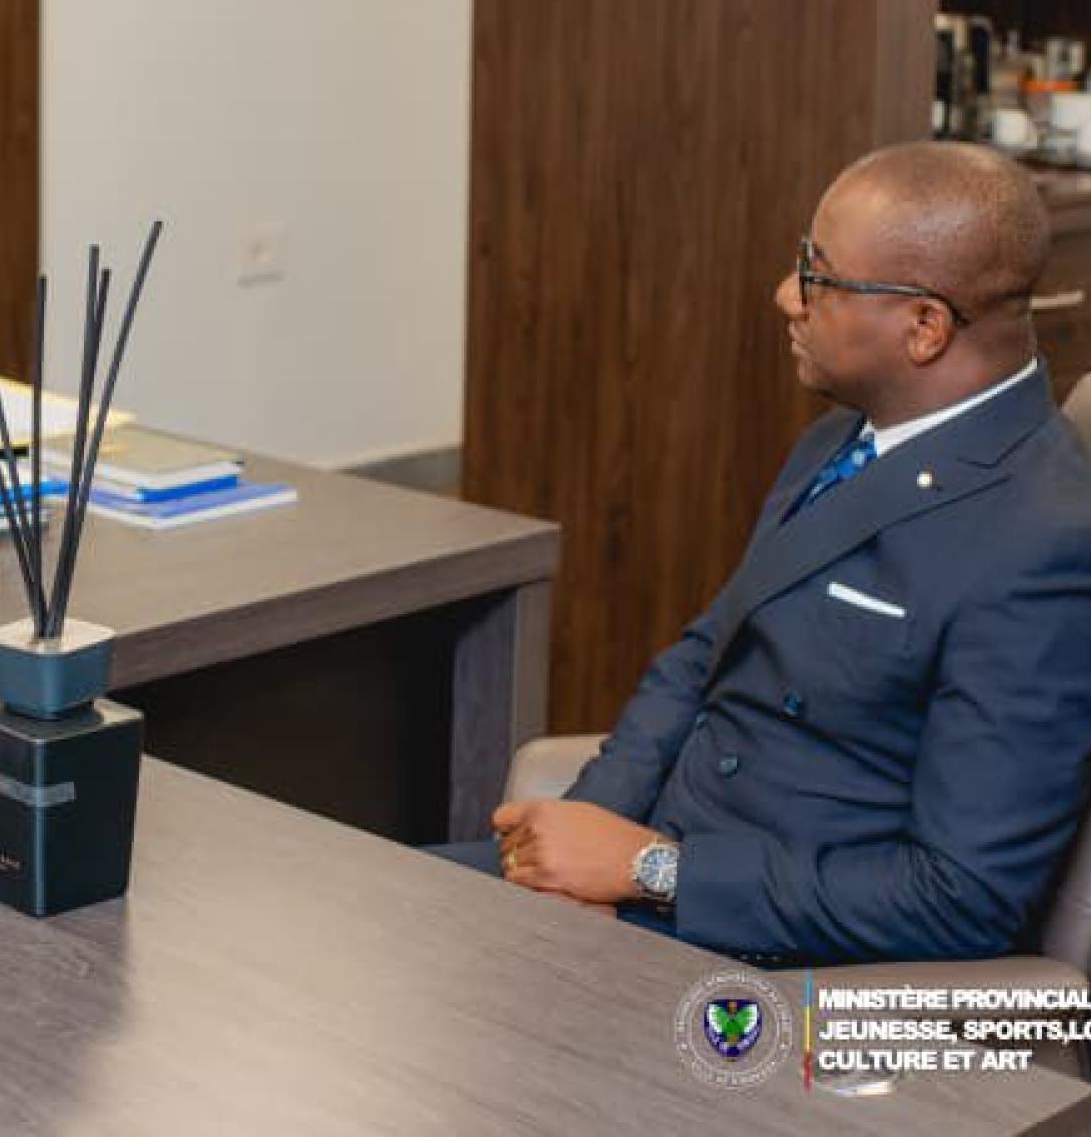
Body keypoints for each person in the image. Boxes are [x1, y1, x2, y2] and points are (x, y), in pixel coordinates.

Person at [450, 141, 1091, 965]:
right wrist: (578, 842)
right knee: (356, 920)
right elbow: (702, 660)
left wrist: (653, 871)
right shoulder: (842, 439)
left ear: (925, 328)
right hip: (637, 888)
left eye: (818, 276)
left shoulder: (1042, 542)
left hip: (770, 961)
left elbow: (959, 901)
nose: (787, 295)